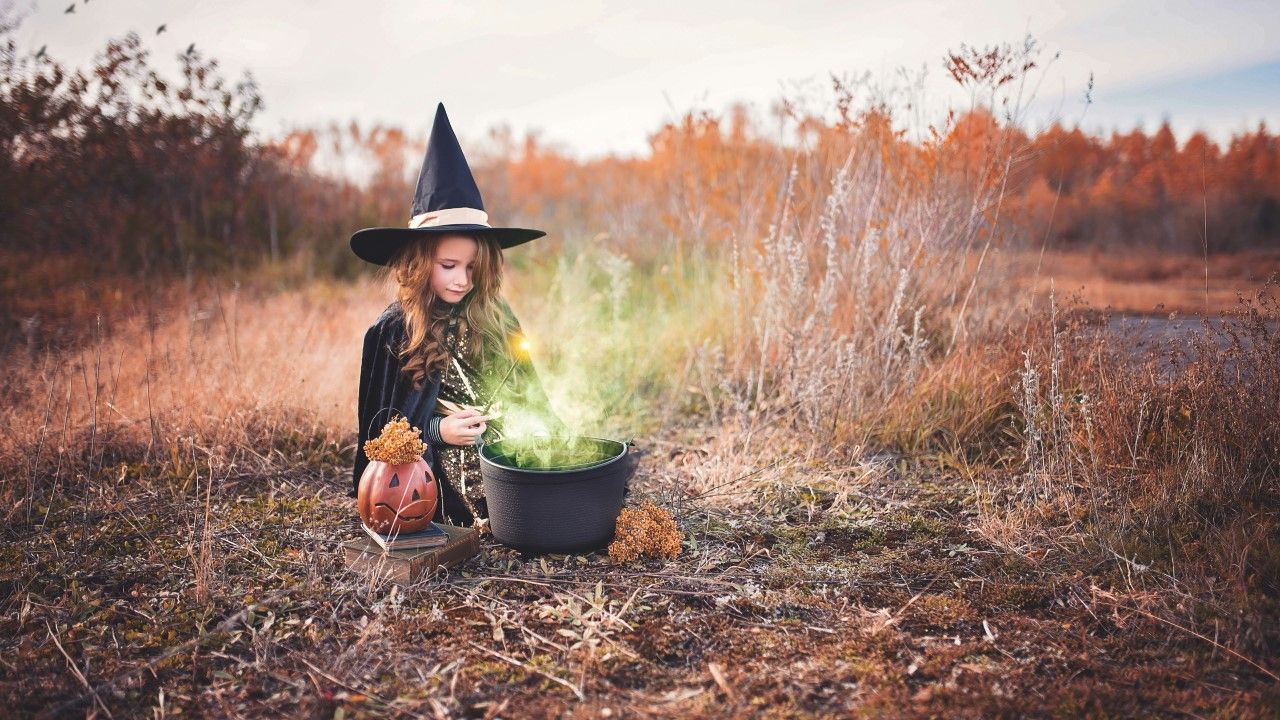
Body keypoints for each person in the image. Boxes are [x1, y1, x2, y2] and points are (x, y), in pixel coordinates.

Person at [348, 103, 566, 527]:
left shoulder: (495, 314)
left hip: (506, 454)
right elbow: (380, 438)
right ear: (418, 261)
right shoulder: (393, 331)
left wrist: (524, 425)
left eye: (471, 268)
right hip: (432, 474)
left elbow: (529, 395)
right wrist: (437, 432)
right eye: (448, 266)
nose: (462, 280)